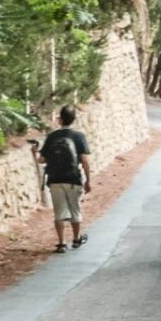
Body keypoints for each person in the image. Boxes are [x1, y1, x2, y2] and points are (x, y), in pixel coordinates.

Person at [34, 105, 93, 252]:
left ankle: (61, 243)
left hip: (55, 179)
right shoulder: (79, 137)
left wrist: (34, 153)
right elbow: (84, 160)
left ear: (60, 119)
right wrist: (88, 180)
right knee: (75, 209)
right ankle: (76, 238)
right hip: (73, 179)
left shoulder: (52, 136)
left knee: (59, 211)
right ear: (73, 119)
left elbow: (41, 160)